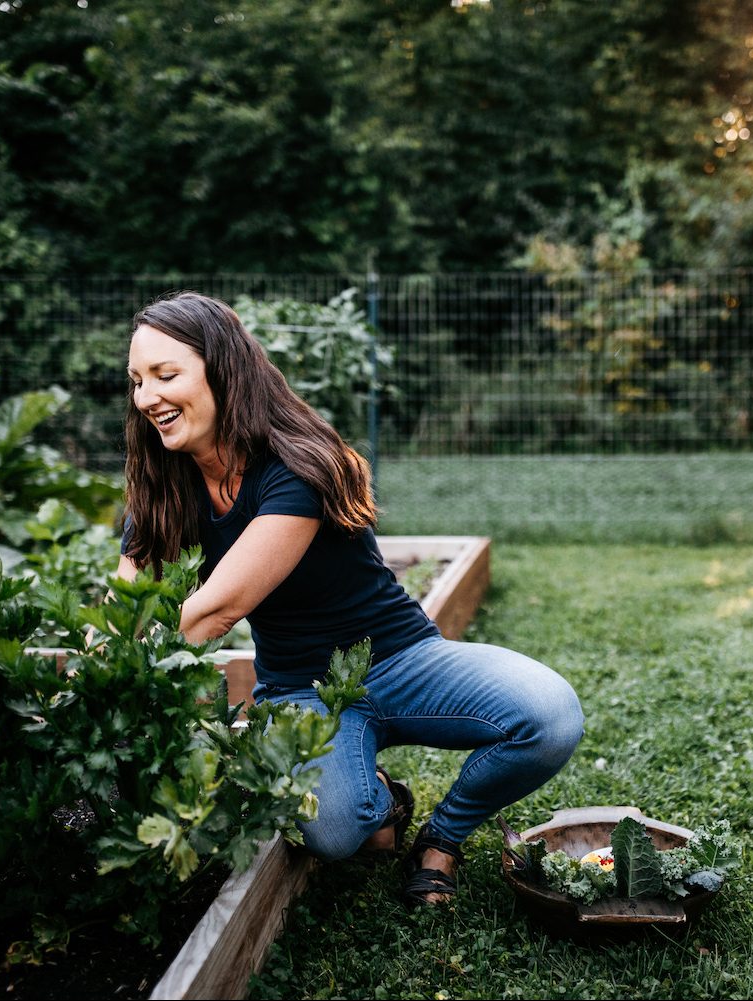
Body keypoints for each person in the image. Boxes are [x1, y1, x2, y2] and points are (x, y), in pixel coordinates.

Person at [117, 291, 584, 907]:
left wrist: (126, 679)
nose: (147, 397)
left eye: (165, 375)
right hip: (299, 690)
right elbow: (125, 605)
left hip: (402, 659)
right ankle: (383, 797)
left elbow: (215, 611)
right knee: (338, 832)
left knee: (549, 717)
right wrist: (103, 666)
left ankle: (440, 841)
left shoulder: (297, 464)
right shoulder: (161, 484)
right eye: (137, 380)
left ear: (223, 371)